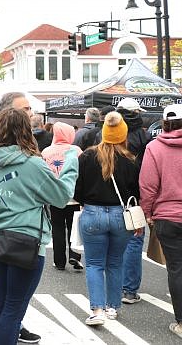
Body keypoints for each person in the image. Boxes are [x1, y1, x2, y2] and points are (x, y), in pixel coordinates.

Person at [0, 108, 78, 345]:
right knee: (14, 307)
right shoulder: (32, 164)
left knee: (2, 302)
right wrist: (71, 164)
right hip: (26, 240)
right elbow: (60, 196)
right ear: (26, 131)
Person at [74, 111, 141, 326]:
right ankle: (113, 307)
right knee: (115, 262)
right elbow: (135, 194)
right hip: (121, 216)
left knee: (94, 264)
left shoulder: (85, 157)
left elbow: (77, 190)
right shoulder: (130, 161)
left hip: (93, 213)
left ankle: (98, 310)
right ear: (123, 135)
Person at [138, 104, 182, 338]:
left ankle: (181, 323)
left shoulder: (154, 147)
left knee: (177, 269)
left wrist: (148, 213)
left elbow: (148, 185)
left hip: (167, 216)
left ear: (164, 123)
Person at [115, 97, 151, 305]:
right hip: (134, 195)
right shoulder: (143, 135)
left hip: (110, 193)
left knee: (112, 241)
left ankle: (113, 285)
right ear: (137, 113)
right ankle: (128, 290)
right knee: (134, 241)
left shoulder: (109, 131)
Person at [41, 122, 84, 271]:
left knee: (57, 228)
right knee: (74, 227)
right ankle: (74, 256)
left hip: (54, 196)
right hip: (74, 196)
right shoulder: (77, 150)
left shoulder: (46, 152)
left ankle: (59, 261)